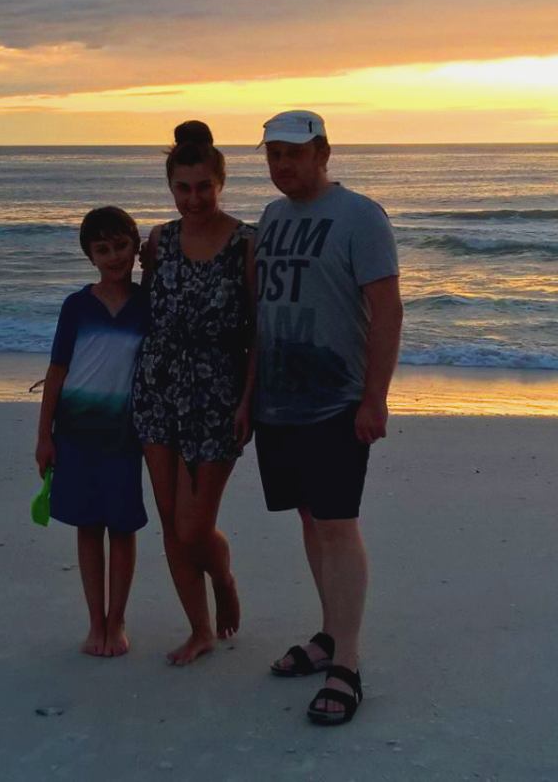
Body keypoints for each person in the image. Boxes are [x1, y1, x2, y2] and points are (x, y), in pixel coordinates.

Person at [250, 109, 402, 726]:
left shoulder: (360, 216)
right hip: (278, 401)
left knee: (338, 524)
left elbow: (387, 310)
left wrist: (374, 397)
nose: (283, 164)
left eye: (294, 153)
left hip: (336, 400)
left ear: (323, 153)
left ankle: (348, 664)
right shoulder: (272, 218)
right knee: (310, 519)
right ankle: (329, 634)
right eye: (273, 155)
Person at [131, 120, 255, 666]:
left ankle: (222, 576)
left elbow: (259, 330)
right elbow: (145, 310)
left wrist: (249, 399)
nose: (194, 198)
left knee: (194, 526)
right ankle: (199, 629)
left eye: (204, 187)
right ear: (170, 187)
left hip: (217, 393)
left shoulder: (246, 243)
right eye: (182, 188)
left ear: (221, 183)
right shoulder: (159, 241)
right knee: (170, 522)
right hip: (157, 386)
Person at [34, 206, 150, 658]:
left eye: (121, 245)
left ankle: (117, 621)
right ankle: (95, 622)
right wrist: (44, 436)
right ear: (90, 257)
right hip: (76, 433)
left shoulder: (148, 303)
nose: (114, 256)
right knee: (87, 527)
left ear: (135, 246)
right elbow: (57, 371)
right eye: (103, 249)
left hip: (125, 436)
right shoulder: (76, 306)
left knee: (121, 527)